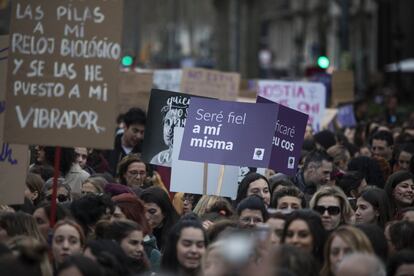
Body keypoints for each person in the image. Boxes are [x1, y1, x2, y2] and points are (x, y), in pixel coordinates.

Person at [111, 193, 160, 270]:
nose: (111, 220)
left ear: (131, 218)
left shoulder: (152, 254)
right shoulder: (103, 243)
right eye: (109, 215)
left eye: (117, 216)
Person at [104, 107, 146, 176]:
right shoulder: (108, 147)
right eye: (135, 131)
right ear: (125, 127)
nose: (139, 136)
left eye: (142, 132)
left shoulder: (144, 152)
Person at [140, 186, 180, 251]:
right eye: (142, 211)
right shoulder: (136, 229)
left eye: (152, 212)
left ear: (164, 212)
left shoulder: (177, 233)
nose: (146, 217)